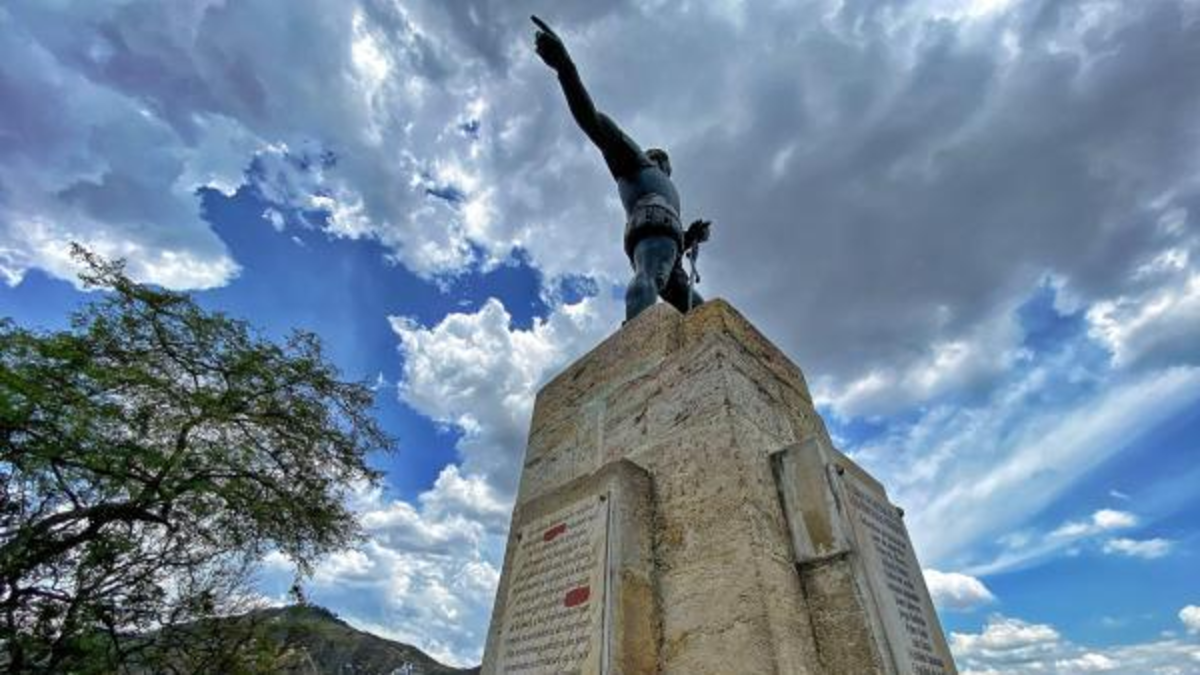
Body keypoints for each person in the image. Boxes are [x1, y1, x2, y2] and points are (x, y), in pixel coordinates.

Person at [532, 16, 711, 321]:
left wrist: (689, 234)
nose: (665, 163)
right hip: (651, 228)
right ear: (653, 158)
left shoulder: (664, 186)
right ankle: (637, 337)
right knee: (649, 274)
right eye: (660, 157)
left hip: (670, 241)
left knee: (690, 302)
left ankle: (710, 335)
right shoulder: (635, 161)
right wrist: (565, 67)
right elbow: (592, 121)